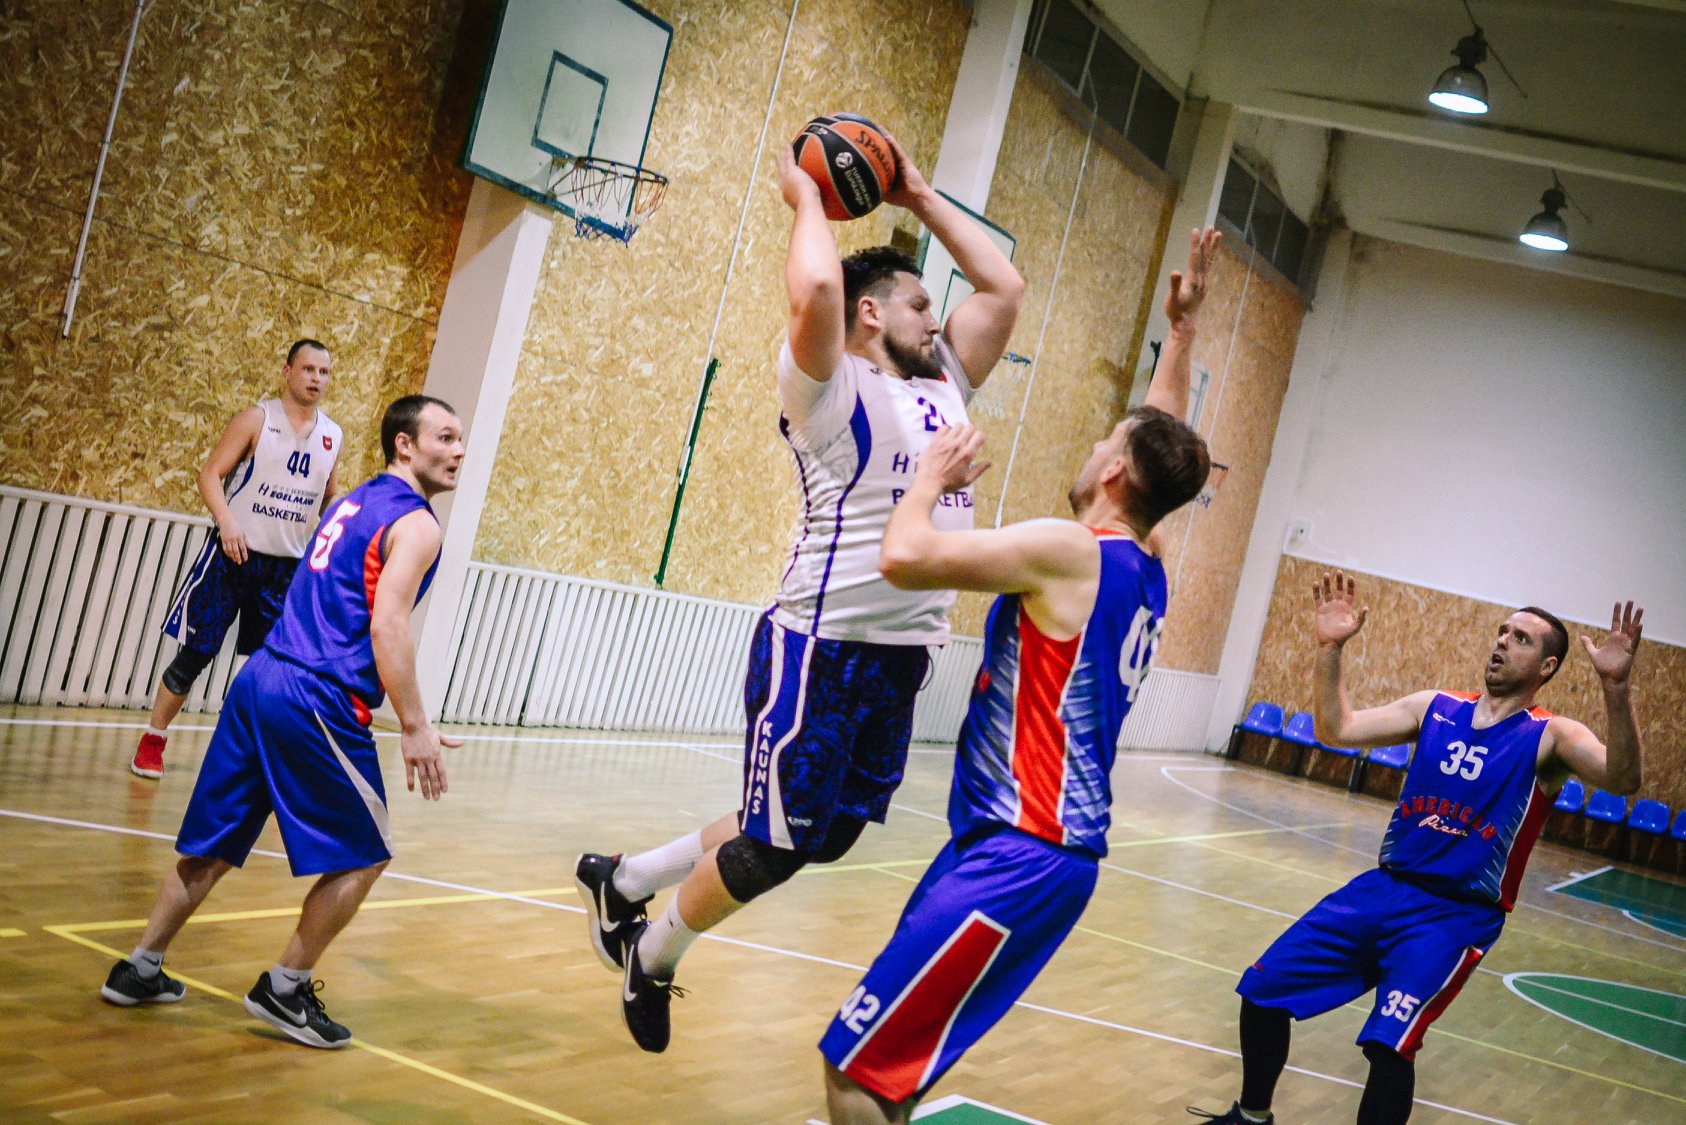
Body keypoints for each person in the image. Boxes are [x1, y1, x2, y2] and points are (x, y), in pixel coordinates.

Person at [575, 133, 1026, 1053]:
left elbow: (1005, 288)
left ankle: (625, 879)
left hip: (904, 655)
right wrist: (809, 194)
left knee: (826, 833)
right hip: (820, 649)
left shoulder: (945, 380)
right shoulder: (827, 386)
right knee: (776, 843)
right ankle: (650, 955)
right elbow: (817, 285)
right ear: (871, 313)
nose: (936, 318)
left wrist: (917, 193)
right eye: (919, 303)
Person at [821, 229, 1221, 1124]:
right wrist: (1182, 333)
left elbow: (904, 556)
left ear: (1112, 470)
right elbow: (1159, 450)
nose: (1093, 442)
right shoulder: (1145, 559)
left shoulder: (1070, 551)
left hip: (1020, 851)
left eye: (1103, 439)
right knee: (895, 1074)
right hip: (1024, 849)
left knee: (855, 1069)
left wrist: (928, 477)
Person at [1191, 577, 1645, 1125]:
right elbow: (1336, 729)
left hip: (1455, 916)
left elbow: (1623, 779)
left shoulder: (1552, 736)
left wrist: (1616, 689)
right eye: (1503, 631)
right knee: (1263, 990)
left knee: (1390, 1045)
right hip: (1383, 889)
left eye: (1521, 638)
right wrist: (1330, 650)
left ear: (1546, 667)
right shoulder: (1436, 708)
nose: (1502, 641)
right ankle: (1251, 1116)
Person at [100, 395, 465, 1050]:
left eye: (460, 438)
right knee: (366, 855)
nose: (458, 449)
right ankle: (285, 987)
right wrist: (415, 725)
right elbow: (387, 625)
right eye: (445, 436)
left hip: (261, 678)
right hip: (316, 697)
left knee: (213, 844)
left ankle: (140, 967)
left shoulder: (354, 501)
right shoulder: (417, 524)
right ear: (404, 445)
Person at [130, 339, 341, 779]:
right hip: (233, 556)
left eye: (323, 372)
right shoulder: (257, 419)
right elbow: (210, 474)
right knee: (197, 653)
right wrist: (226, 521)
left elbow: (329, 498)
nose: (316, 378)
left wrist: (334, 539)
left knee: (266, 669)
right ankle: (153, 740)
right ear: (287, 372)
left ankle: (246, 754)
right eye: (308, 369)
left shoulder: (332, 435)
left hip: (284, 568)